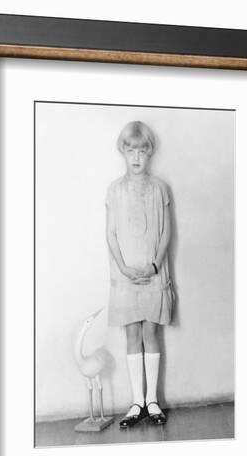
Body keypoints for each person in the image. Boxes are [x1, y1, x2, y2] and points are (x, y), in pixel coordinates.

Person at [105, 120, 175, 428]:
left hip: (153, 273)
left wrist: (155, 266)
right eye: (130, 150)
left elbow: (166, 231)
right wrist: (123, 268)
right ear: (123, 151)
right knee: (132, 335)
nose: (136, 157)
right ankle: (136, 402)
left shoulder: (160, 188)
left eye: (142, 151)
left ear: (150, 153)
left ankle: (153, 401)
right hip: (125, 276)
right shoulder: (114, 190)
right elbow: (110, 234)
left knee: (151, 333)